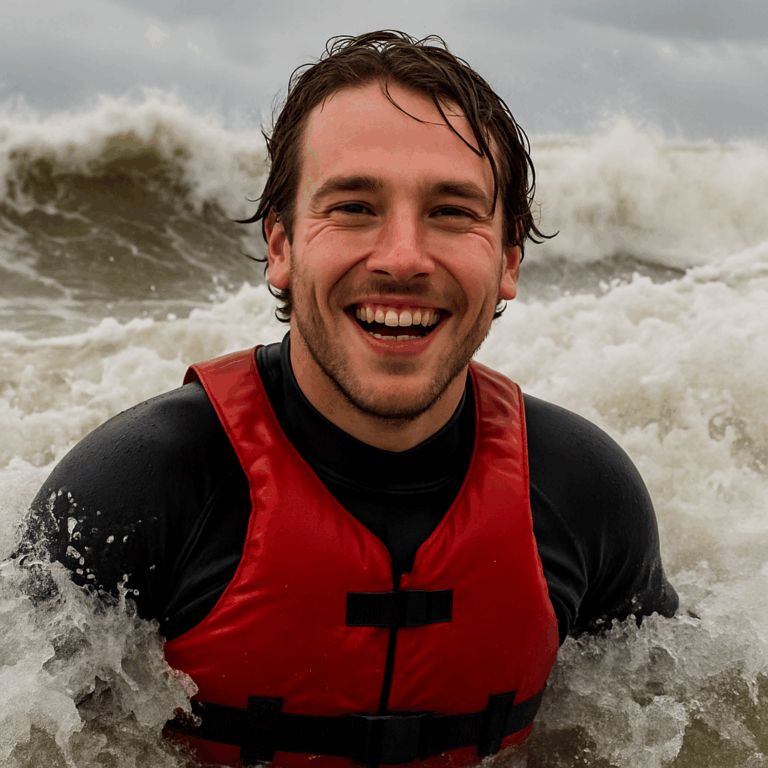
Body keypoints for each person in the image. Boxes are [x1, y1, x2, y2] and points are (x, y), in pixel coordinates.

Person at [17, 31, 678, 768]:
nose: (402, 257)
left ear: (508, 260)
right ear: (282, 248)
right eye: (354, 206)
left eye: (453, 211)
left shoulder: (583, 496)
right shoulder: (140, 490)